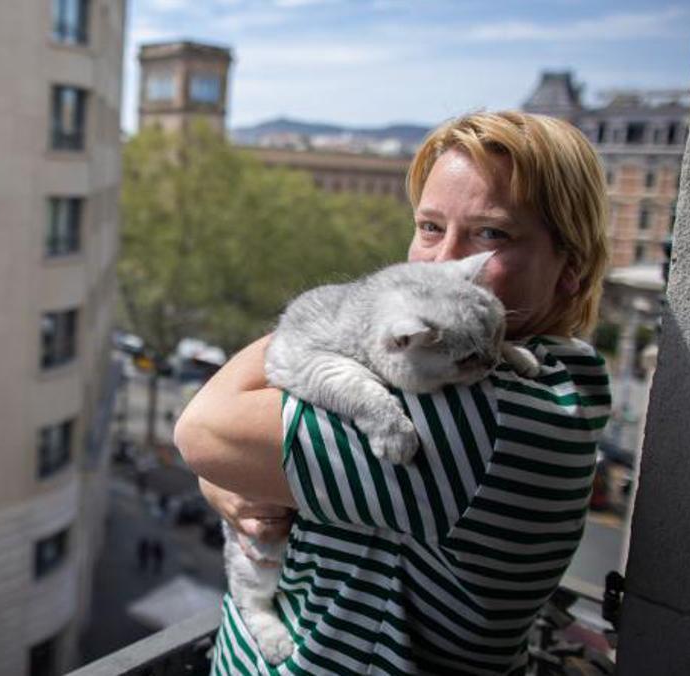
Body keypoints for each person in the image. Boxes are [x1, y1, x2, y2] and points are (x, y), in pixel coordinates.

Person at [175, 111, 610, 675]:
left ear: (569, 267)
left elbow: (202, 431)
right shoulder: (563, 381)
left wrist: (357, 307)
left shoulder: (481, 411)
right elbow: (236, 460)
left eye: (492, 233)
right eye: (429, 227)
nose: (445, 261)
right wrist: (235, 478)